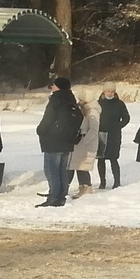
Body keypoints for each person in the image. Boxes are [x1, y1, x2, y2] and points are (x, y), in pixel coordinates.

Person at [35, 77, 81, 207]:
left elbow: (48, 119)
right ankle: (61, 196)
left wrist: (40, 130)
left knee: (51, 169)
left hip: (53, 140)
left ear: (58, 87)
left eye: (54, 85)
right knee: (62, 169)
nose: (52, 87)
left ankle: (53, 197)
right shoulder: (71, 99)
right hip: (67, 141)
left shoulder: (56, 99)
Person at [95, 87, 130, 188]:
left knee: (113, 158)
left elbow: (126, 117)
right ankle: (102, 182)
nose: (110, 94)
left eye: (112, 92)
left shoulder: (119, 104)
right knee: (100, 159)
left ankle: (117, 182)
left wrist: (118, 126)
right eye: (108, 91)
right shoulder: (98, 103)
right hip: (100, 133)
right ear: (103, 92)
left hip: (114, 135)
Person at [68, 87, 99, 197]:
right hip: (81, 142)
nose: (79, 102)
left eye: (81, 100)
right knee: (77, 165)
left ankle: (86, 188)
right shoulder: (85, 110)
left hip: (87, 143)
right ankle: (82, 187)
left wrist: (85, 140)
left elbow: (94, 129)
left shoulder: (93, 111)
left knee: (82, 166)